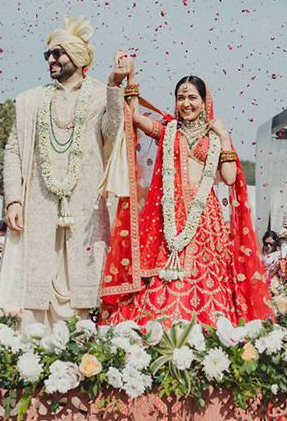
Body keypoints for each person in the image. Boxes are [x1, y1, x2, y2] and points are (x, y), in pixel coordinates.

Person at [100, 71, 273, 326]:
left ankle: (209, 329)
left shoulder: (214, 136)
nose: (186, 103)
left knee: (206, 274)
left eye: (192, 97)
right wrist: (132, 76)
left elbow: (228, 177)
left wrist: (224, 137)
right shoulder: (169, 130)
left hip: (205, 218)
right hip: (169, 211)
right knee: (162, 276)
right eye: (181, 98)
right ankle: (160, 328)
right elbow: (135, 117)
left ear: (204, 101)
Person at [0, 15, 128, 328]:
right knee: (36, 280)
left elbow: (113, 131)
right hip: (38, 205)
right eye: (48, 54)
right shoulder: (32, 100)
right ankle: (32, 351)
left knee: (83, 278)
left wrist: (113, 87)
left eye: (57, 53)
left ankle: (81, 344)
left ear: (78, 58)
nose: (50, 59)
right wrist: (13, 200)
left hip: (85, 206)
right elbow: (12, 151)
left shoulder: (98, 94)